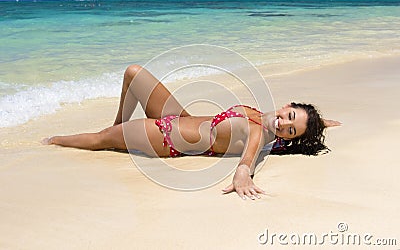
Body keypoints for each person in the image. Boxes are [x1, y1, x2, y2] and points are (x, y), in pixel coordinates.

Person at [42, 64, 340, 200]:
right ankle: (118, 122)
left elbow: (248, 160)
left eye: (289, 131)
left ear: (287, 138)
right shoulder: (264, 116)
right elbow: (297, 124)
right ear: (286, 105)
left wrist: (242, 176)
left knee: (100, 140)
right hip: (179, 116)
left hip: (164, 136)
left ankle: (52, 140)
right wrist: (320, 123)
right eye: (288, 117)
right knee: (133, 72)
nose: (283, 125)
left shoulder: (259, 133)